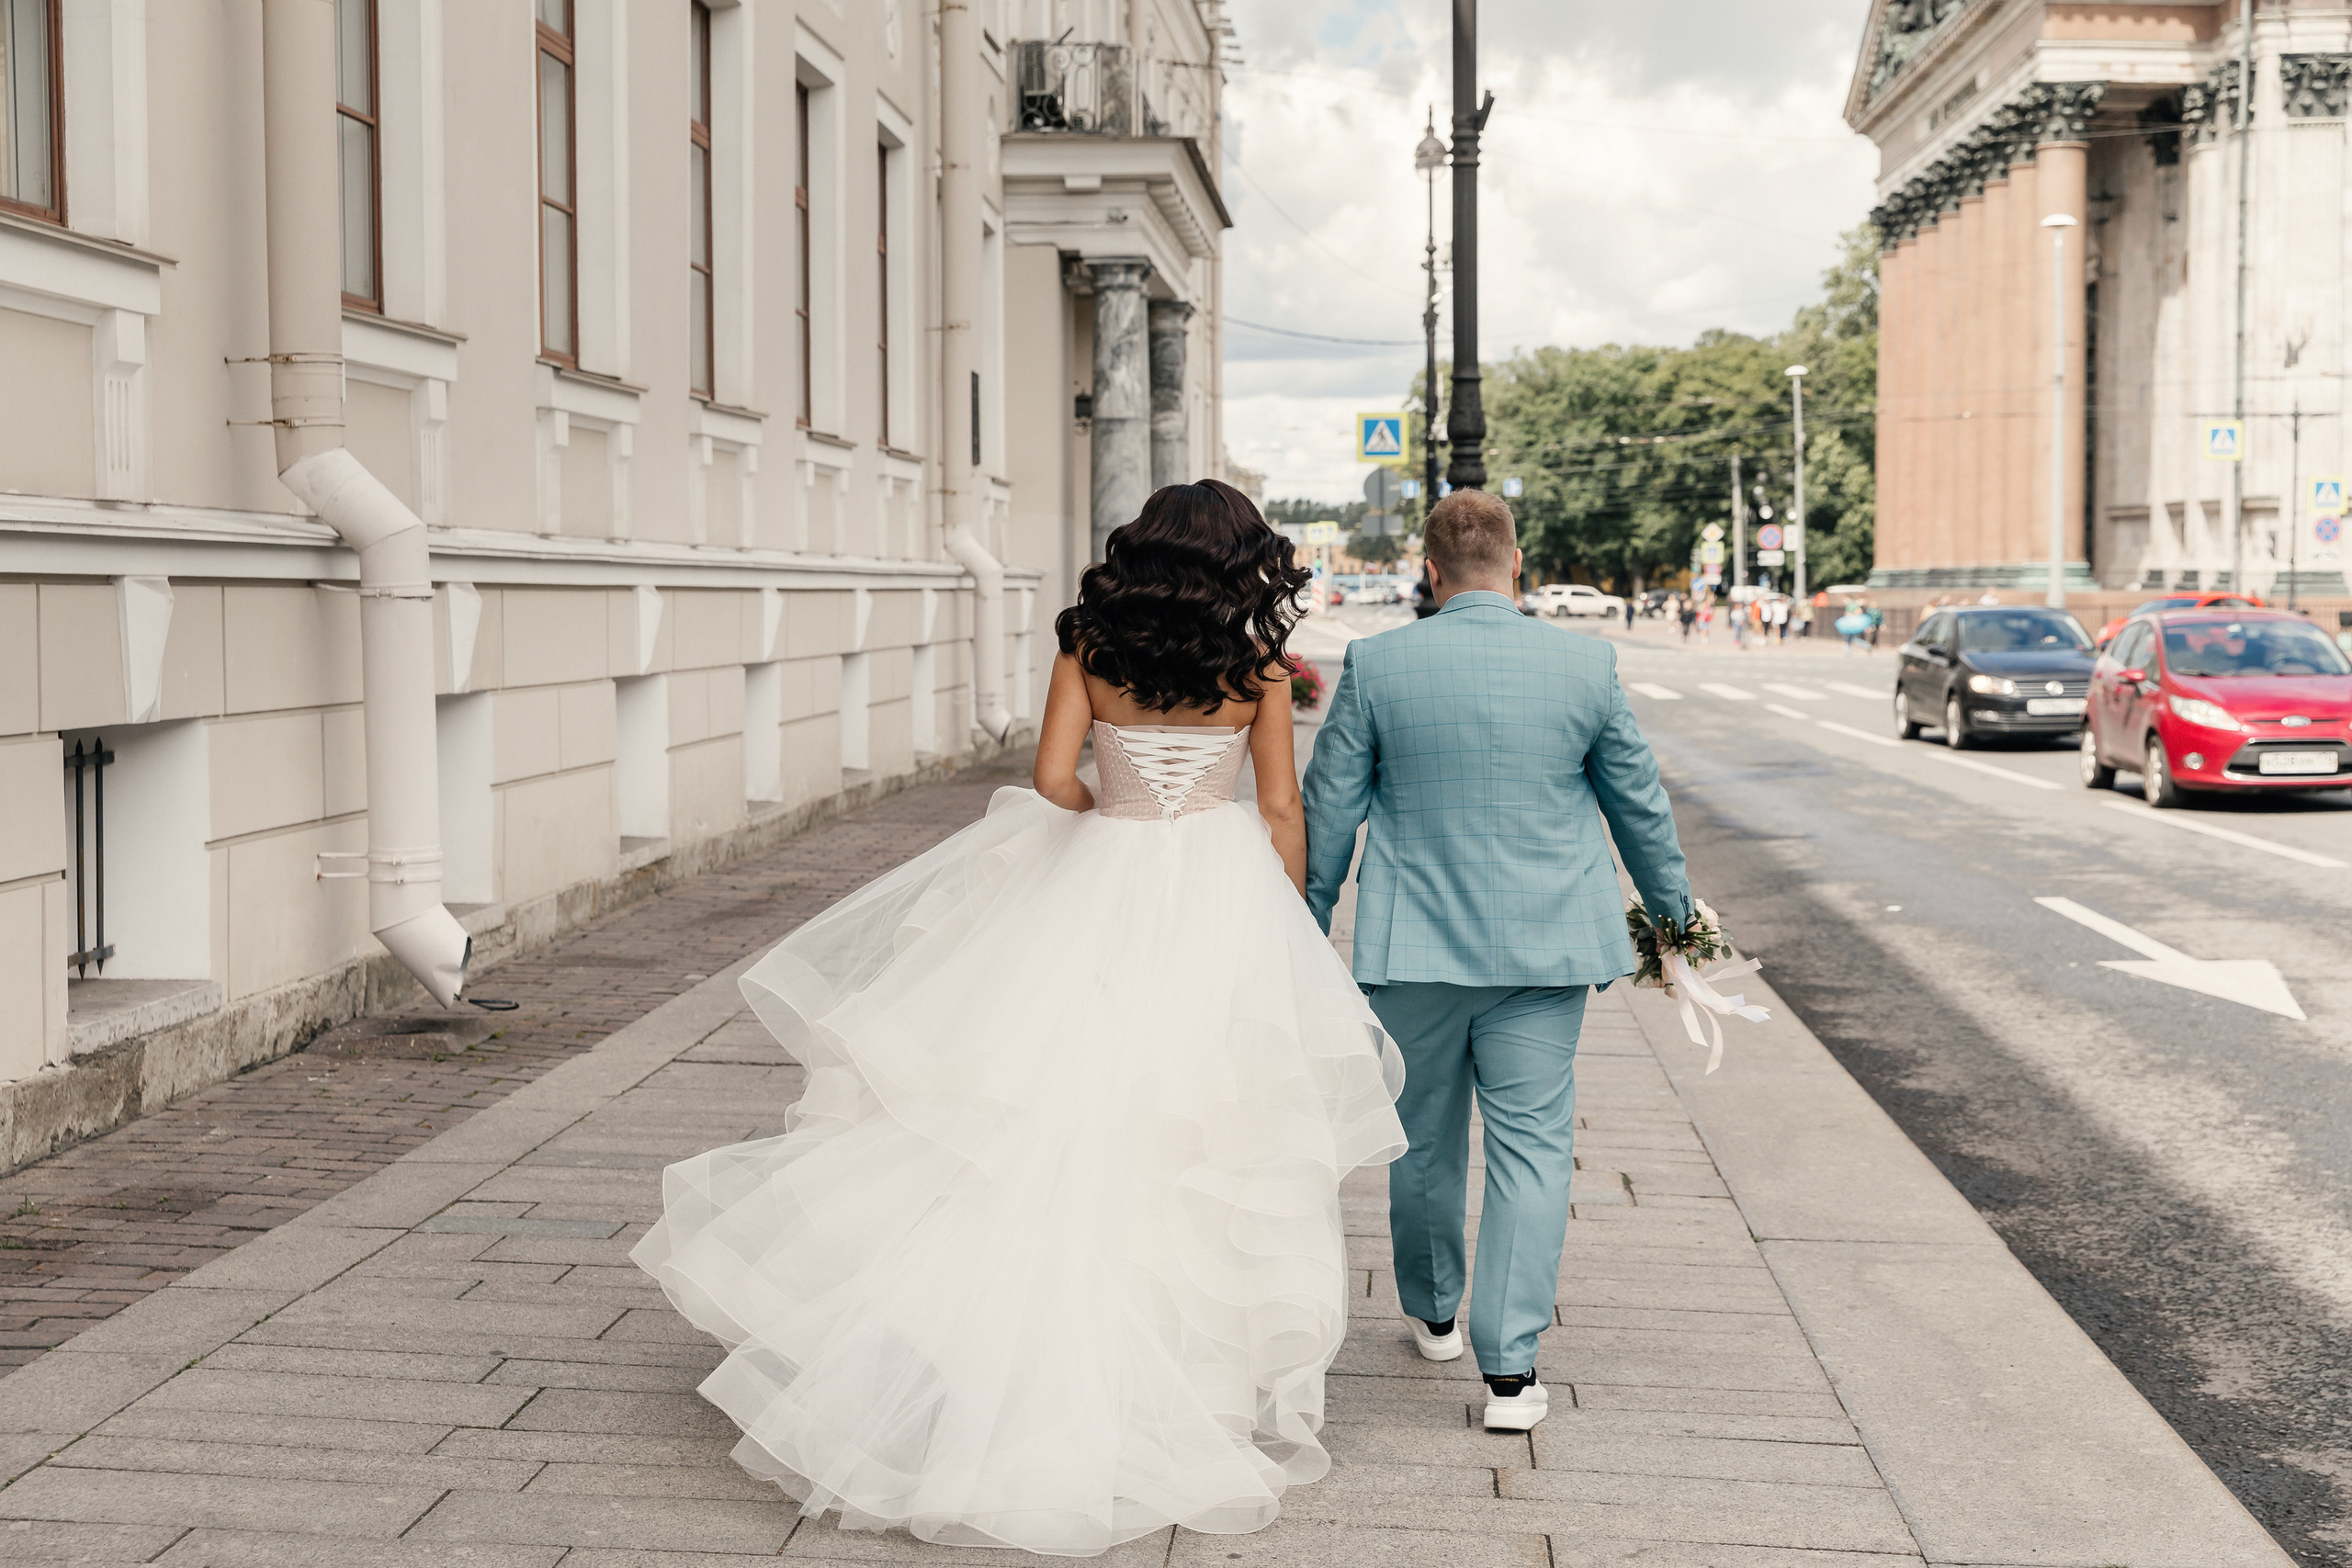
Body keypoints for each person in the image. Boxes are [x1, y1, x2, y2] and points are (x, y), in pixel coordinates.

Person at [634, 480, 1408, 1556]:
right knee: (1195, 1134)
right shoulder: (1258, 669)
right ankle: (1186, 1382)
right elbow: (1280, 807)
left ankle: (995, 1368)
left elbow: (1050, 779)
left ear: (1138, 557)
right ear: (1244, 564)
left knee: (1048, 1113)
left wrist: (1121, 819)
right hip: (1221, 897)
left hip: (1100, 880)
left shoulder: (1091, 648)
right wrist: (1286, 922)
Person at [1302, 489, 1694, 1435]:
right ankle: (1510, 1373)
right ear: (1518, 565)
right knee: (1532, 1149)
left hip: (1415, 950)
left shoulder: (1377, 663)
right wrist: (1673, 919)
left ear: (1427, 573)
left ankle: (1433, 1311)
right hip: (1543, 949)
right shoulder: (1586, 663)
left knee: (1422, 1136)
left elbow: (1330, 811)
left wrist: (1304, 927)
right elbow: (1637, 805)